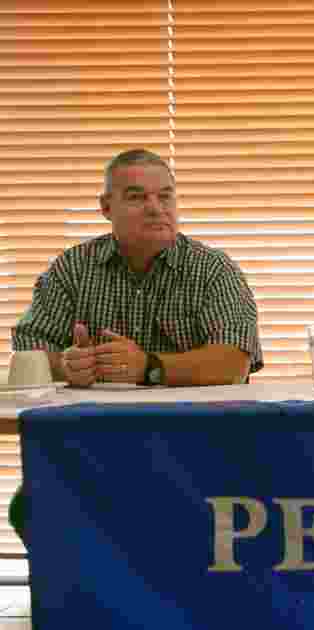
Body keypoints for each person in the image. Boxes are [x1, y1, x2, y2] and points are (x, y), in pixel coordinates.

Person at [10, 148, 263, 545]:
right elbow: (29, 348)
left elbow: (234, 361)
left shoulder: (213, 270)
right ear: (105, 208)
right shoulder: (72, 269)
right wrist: (65, 365)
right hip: (97, 449)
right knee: (28, 507)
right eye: (136, 197)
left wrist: (149, 367)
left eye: (165, 196)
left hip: (200, 450)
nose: (155, 208)